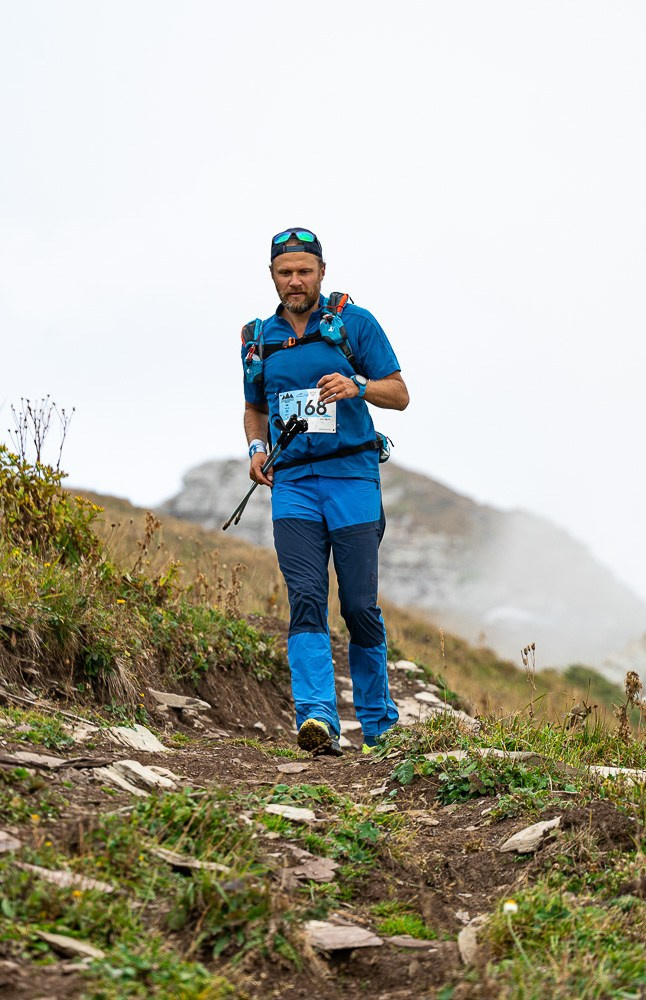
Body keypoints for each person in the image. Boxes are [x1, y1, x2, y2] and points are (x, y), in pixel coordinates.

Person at [241, 227, 409, 755]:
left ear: (321, 272)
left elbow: (400, 394)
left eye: (304, 271)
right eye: (285, 272)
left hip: (352, 479)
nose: (295, 280)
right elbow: (255, 408)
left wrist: (357, 385)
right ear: (272, 275)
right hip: (292, 486)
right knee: (307, 598)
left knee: (358, 605)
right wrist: (256, 449)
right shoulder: (256, 337)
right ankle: (317, 718)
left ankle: (379, 725)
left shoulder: (353, 323)